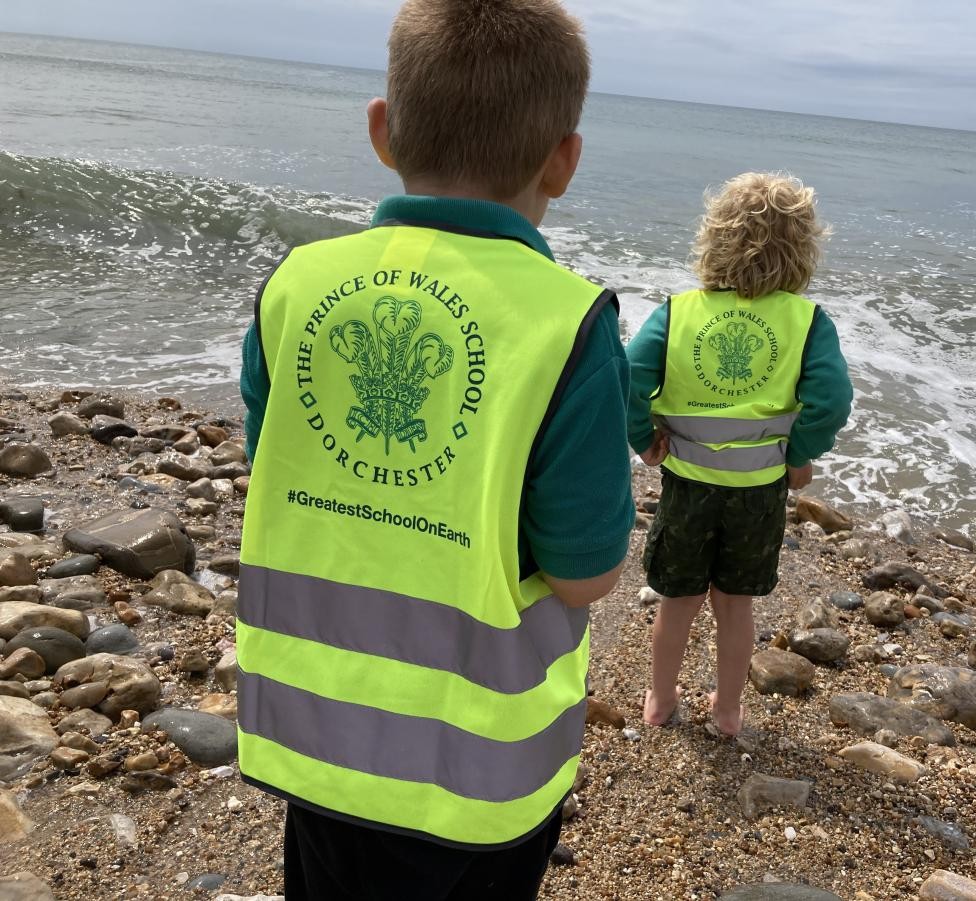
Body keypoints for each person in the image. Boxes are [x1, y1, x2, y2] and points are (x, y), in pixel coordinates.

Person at [235, 1, 634, 897]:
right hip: (477, 774)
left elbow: (277, 470)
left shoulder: (294, 285)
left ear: (383, 130)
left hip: (317, 744)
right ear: (564, 159)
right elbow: (585, 574)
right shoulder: (567, 324)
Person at [626, 172, 853, 737]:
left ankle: (660, 700)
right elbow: (831, 400)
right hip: (757, 491)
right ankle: (727, 710)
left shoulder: (678, 312)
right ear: (802, 249)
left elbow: (626, 378)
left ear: (715, 238)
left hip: (687, 485)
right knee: (734, 604)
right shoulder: (806, 322)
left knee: (678, 600)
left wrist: (644, 439)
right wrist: (799, 453)